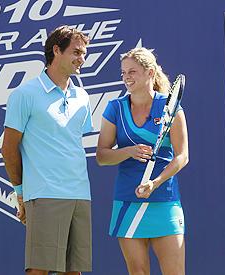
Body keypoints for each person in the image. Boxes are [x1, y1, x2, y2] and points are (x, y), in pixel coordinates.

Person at [1, 25, 93, 275]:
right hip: (44, 194)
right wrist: (20, 192)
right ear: (56, 51)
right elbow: (8, 149)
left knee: (73, 271)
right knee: (39, 270)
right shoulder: (24, 94)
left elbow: (70, 144)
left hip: (79, 194)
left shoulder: (82, 97)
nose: (81, 59)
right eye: (76, 52)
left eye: (84, 53)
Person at [96, 47, 189, 275]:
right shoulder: (115, 108)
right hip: (127, 203)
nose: (127, 77)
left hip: (164, 200)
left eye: (133, 72)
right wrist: (128, 151)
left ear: (150, 73)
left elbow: (182, 156)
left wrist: (155, 182)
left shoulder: (170, 107)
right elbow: (102, 156)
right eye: (124, 73)